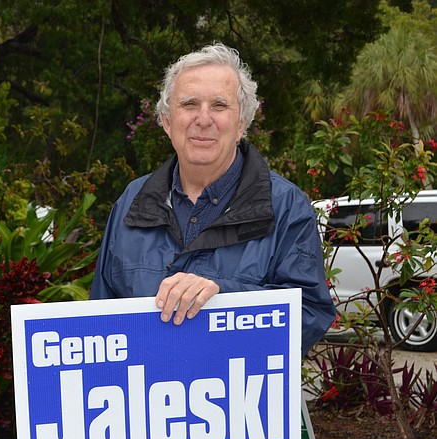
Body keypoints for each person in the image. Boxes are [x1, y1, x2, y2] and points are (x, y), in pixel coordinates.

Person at [90, 43, 336, 355]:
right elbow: (99, 322)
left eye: (219, 106)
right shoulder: (131, 201)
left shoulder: (286, 206)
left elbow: (310, 314)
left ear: (241, 124)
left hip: (238, 399)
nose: (203, 119)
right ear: (167, 121)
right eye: (189, 104)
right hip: (146, 397)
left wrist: (223, 297)